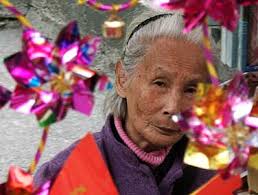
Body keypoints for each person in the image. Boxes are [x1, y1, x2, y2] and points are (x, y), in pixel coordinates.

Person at [34, 9, 235, 195]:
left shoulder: (209, 163)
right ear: (122, 78)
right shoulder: (64, 176)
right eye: (160, 83)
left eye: (191, 90)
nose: (173, 107)